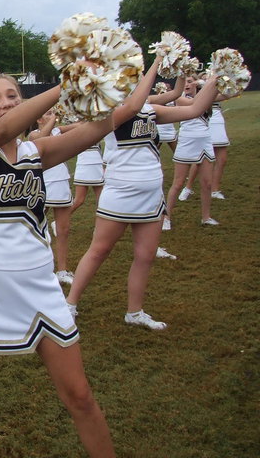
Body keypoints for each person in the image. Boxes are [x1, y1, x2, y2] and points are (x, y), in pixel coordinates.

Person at [0, 73, 116, 458]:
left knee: (80, 395)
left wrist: (108, 85)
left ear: (24, 100)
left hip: (40, 290)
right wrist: (68, 84)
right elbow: (5, 129)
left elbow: (99, 128)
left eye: (12, 95)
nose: (4, 103)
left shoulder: (39, 152)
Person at [66, 61, 219, 330]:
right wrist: (159, 61)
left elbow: (195, 109)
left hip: (151, 191)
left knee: (146, 255)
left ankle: (134, 312)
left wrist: (216, 77)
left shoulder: (150, 110)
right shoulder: (109, 112)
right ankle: (70, 304)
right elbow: (133, 106)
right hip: (121, 190)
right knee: (99, 250)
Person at [164, 75, 219, 227]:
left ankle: (206, 217)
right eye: (186, 82)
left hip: (205, 141)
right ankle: (167, 218)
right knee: (178, 182)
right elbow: (194, 103)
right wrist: (206, 84)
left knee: (207, 183)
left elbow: (228, 94)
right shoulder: (180, 98)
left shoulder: (206, 97)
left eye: (190, 81)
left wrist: (232, 78)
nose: (188, 84)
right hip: (187, 141)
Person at [28, 110, 75, 285]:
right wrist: (54, 118)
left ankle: (62, 270)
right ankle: (33, 267)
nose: (53, 115)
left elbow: (83, 127)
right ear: (39, 118)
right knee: (33, 228)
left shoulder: (59, 131)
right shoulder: (34, 134)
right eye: (48, 113)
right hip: (42, 183)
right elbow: (41, 137)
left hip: (61, 181)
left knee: (63, 230)